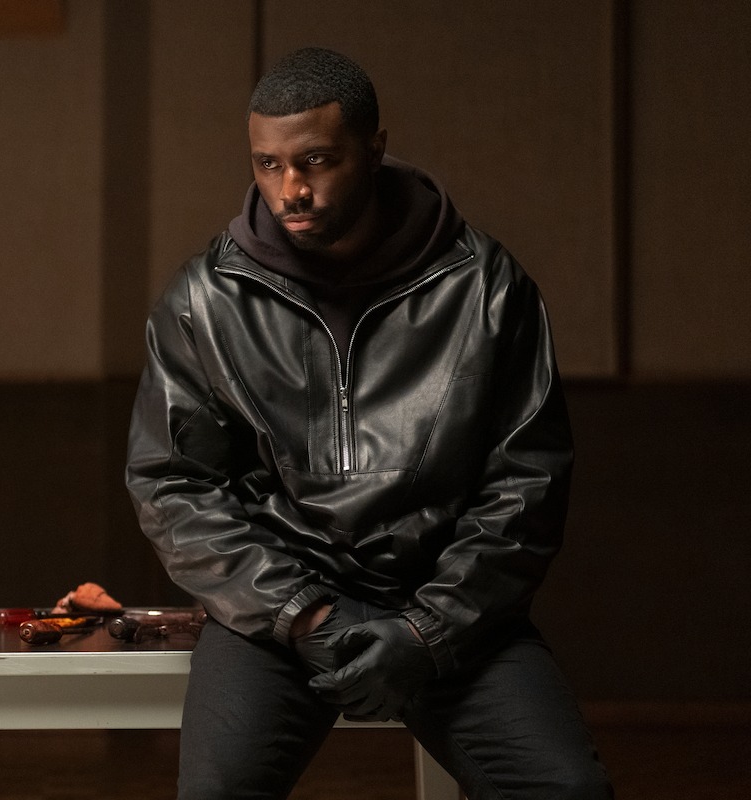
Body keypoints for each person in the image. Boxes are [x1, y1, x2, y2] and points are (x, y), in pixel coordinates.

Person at [125, 47, 613, 800]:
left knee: (566, 790)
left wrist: (429, 632)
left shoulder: (484, 287)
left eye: (316, 161)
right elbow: (173, 485)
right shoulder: (205, 301)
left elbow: (527, 484)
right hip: (281, 608)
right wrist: (300, 615)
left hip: (442, 600)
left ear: (374, 149)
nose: (292, 190)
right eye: (268, 164)